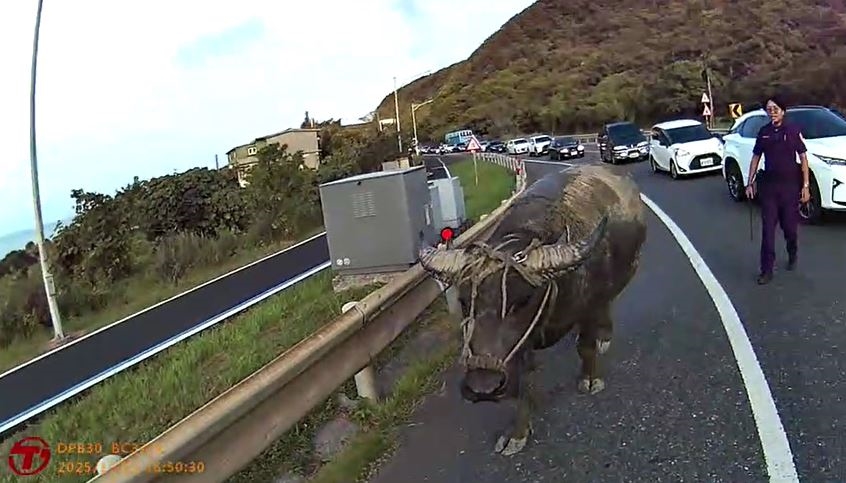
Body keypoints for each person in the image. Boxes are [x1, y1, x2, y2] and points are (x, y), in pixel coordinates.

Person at [744, 95, 811, 285]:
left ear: (783, 111)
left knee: (789, 228)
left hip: (789, 187)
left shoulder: (792, 131)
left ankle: (792, 252)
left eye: (775, 109)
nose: (772, 112)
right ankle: (766, 269)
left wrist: (805, 186)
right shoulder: (763, 132)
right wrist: (750, 183)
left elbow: (803, 159)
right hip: (769, 188)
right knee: (768, 231)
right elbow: (756, 157)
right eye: (769, 109)